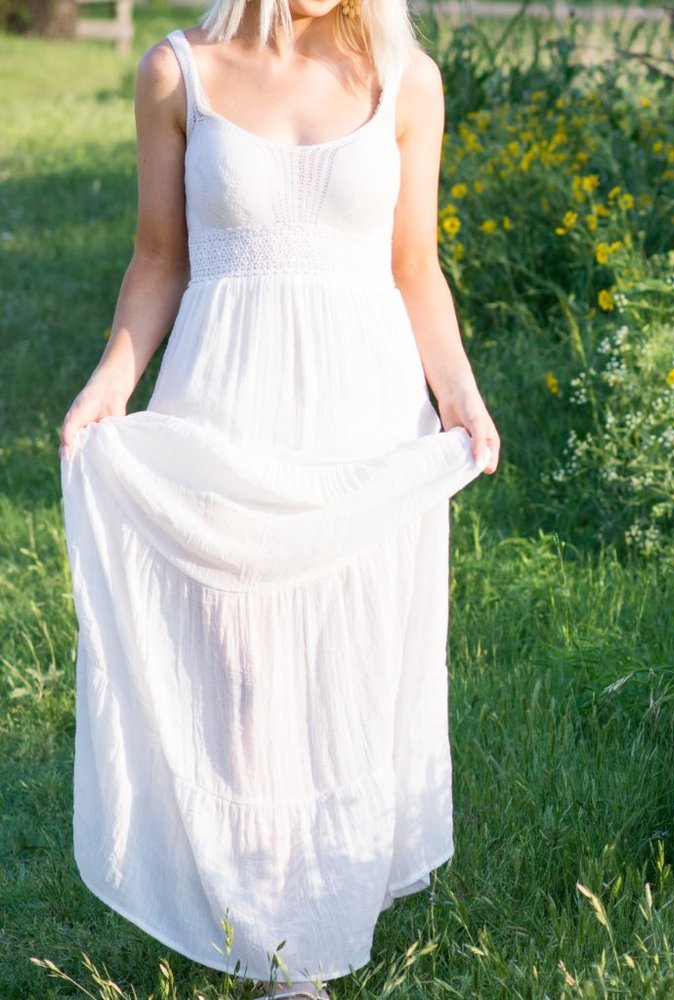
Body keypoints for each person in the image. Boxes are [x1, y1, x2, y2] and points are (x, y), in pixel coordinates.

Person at [57, 0, 500, 991]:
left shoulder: (404, 77)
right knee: (242, 682)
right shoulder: (179, 72)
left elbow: (414, 267)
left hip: (364, 414)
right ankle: (278, 945)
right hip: (227, 405)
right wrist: (110, 383)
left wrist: (460, 399)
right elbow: (157, 261)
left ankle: (306, 938)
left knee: (341, 664)